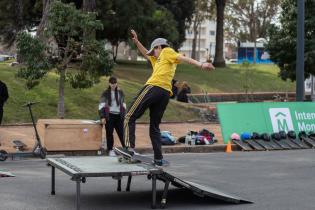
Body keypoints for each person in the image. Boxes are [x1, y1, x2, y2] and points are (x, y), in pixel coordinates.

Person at [124, 29, 215, 166]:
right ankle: (158, 158)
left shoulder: (167, 52)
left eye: (154, 51)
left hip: (154, 87)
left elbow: (183, 58)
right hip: (165, 94)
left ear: (159, 47)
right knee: (154, 126)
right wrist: (137, 42)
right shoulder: (159, 59)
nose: (152, 55)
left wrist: (201, 64)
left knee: (129, 116)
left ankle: (128, 148)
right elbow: (146, 53)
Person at [99, 76, 126, 156]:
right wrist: (102, 116)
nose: (113, 85)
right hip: (109, 115)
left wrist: (124, 114)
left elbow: (123, 104)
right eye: (112, 83)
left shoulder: (120, 92)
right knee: (109, 133)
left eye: (115, 83)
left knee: (122, 133)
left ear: (117, 83)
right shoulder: (105, 93)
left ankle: (127, 149)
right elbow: (101, 105)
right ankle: (110, 150)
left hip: (119, 116)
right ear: (109, 83)